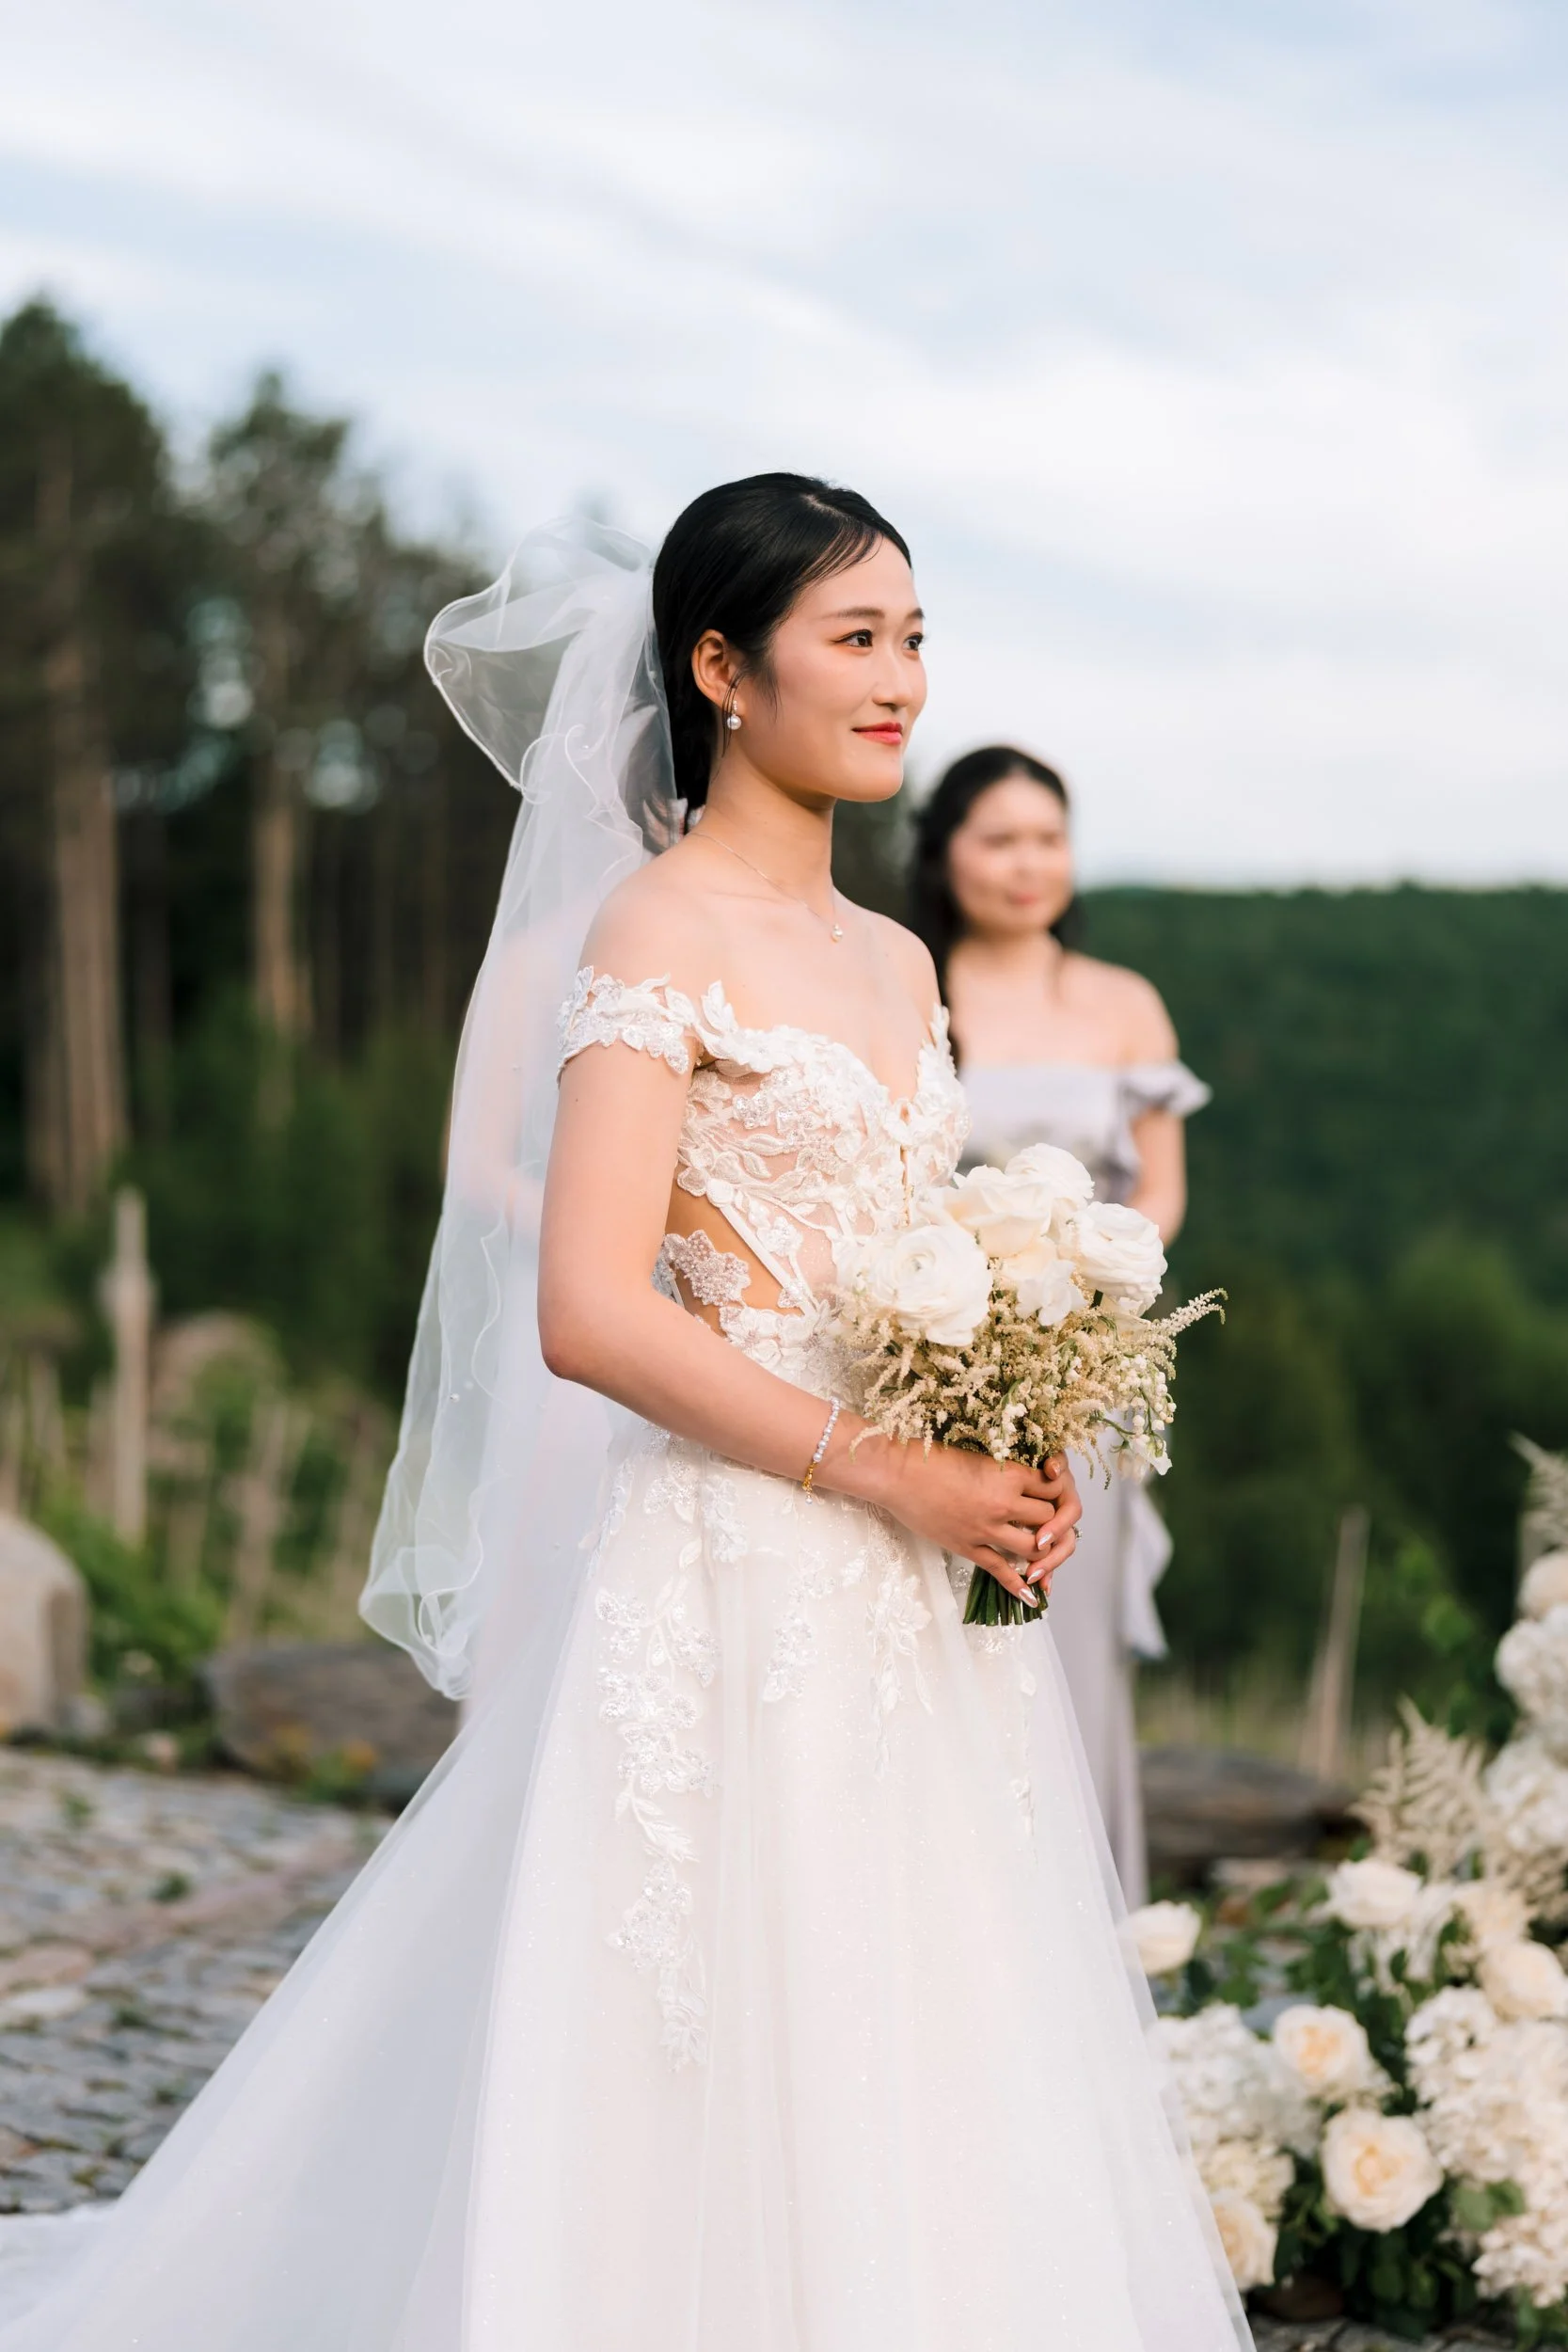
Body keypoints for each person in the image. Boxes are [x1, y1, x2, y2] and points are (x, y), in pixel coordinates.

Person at [0, 480, 1251, 2350]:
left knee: (926, 2013)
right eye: (855, 637)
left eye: (913, 634)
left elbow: (901, 1259)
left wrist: (1001, 1427)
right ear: (719, 668)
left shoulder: (898, 963)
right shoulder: (657, 924)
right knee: (711, 2029)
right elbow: (588, 1307)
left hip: (924, 1581)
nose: (900, 676)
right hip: (736, 1561)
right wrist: (875, 1462)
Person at [911, 745, 1210, 1903]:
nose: (1027, 864)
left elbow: (1161, 1187)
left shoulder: (1123, 999)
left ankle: (1069, 1915)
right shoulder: (910, 982)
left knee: (1061, 1633)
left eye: (1047, 837)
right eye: (998, 839)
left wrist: (1088, 1301)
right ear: (942, 855)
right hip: (931, 1351)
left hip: (1080, 1364)